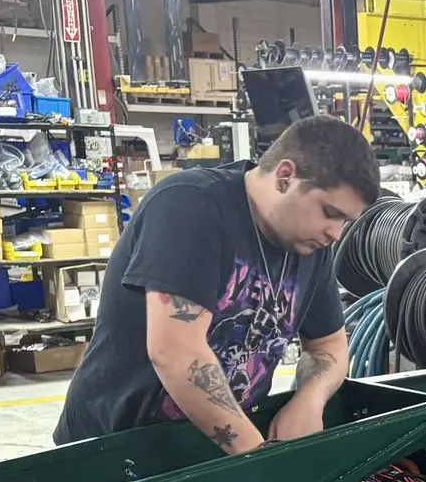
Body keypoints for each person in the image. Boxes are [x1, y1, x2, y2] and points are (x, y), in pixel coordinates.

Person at [54, 117, 381, 452]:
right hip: (114, 451)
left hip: (213, 450)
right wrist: (259, 459)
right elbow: (176, 352)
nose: (335, 234)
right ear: (285, 177)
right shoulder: (191, 205)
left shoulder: (310, 246)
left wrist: (309, 400)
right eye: (330, 212)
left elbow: (330, 346)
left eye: (345, 222)